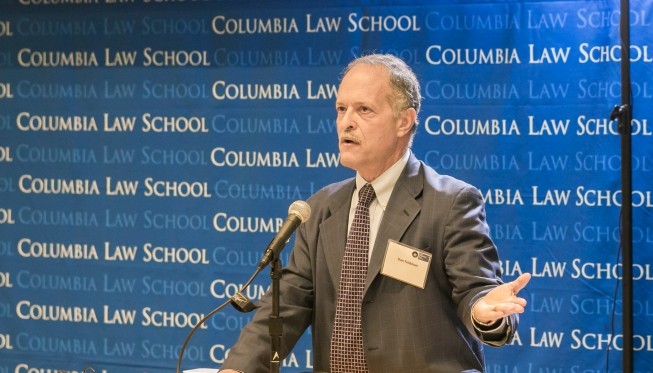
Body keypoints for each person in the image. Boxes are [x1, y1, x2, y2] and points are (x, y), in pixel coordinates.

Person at [220, 54, 531, 373]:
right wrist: (237, 368)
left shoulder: (451, 202)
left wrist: (483, 311)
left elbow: (477, 291)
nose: (346, 122)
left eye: (363, 110)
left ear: (404, 121)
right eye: (341, 109)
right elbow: (287, 302)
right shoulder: (323, 207)